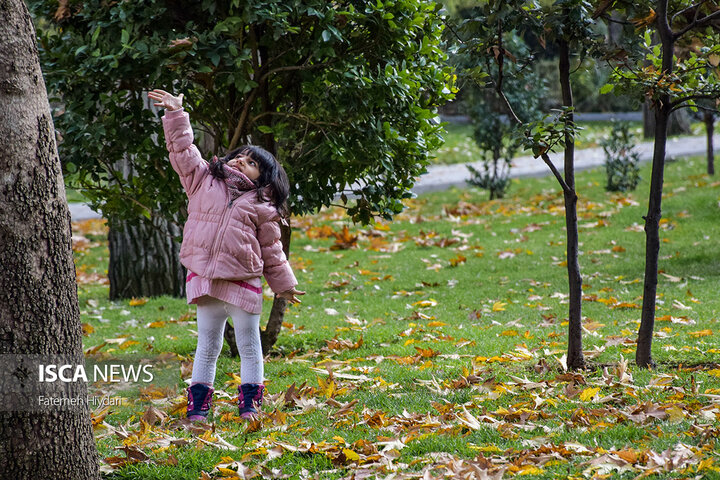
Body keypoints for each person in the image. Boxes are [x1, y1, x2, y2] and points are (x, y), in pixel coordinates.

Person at [148, 89, 304, 421]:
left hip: (243, 283)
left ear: (262, 177)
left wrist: (284, 285)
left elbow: (272, 250)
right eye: (239, 156)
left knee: (249, 345)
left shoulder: (263, 206)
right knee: (207, 345)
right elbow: (182, 149)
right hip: (204, 279)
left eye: (250, 163)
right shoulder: (201, 179)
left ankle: (250, 405)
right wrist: (177, 114)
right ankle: (199, 408)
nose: (240, 162)